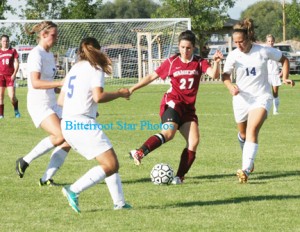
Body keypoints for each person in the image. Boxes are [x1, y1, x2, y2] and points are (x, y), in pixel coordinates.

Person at [129, 30, 223, 184]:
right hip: (172, 103)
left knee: (194, 142)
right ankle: (139, 152)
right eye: (182, 47)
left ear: (194, 48)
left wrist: (217, 62)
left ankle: (179, 177)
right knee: (168, 133)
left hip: (188, 108)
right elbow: (152, 76)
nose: (185, 51)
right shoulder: (172, 62)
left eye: (188, 48)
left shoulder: (199, 62)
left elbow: (214, 75)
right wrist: (133, 88)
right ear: (178, 46)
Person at [58, 37, 131, 213]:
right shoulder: (95, 68)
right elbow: (98, 96)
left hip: (67, 123)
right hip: (82, 123)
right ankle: (73, 189)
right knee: (111, 164)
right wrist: (120, 93)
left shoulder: (74, 68)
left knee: (108, 160)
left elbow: (61, 100)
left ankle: (120, 203)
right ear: (98, 50)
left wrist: (87, 106)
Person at [221, 18, 295, 184]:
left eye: (241, 41)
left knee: (252, 130)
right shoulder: (233, 55)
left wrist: (284, 78)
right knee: (243, 134)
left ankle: (245, 169)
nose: (238, 45)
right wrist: (230, 86)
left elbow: (284, 60)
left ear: (249, 38)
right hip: (241, 99)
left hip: (261, 97)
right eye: (235, 42)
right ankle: (248, 157)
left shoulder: (263, 50)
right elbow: (225, 76)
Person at [15, 21, 71, 186]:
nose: (56, 38)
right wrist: (60, 83)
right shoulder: (36, 54)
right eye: (54, 35)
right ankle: (25, 160)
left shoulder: (49, 55)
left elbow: (51, 86)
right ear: (43, 34)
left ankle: (46, 178)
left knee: (70, 138)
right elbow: (36, 83)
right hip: (38, 104)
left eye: (56, 35)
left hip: (52, 103)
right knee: (60, 135)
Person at [0, 35, 21, 118]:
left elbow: (17, 63)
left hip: (10, 76)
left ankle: (16, 110)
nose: (5, 42)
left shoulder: (13, 51)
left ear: (9, 41)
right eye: (4, 41)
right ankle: (1, 115)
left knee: (12, 96)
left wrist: (14, 74)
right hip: (1, 76)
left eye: (7, 41)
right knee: (0, 96)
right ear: (1, 41)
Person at [266, 34, 282, 115]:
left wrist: (282, 72)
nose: (270, 42)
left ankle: (275, 110)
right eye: (269, 41)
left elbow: (283, 62)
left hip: (275, 74)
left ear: (274, 41)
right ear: (267, 42)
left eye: (272, 41)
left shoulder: (277, 51)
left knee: (275, 92)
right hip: (266, 75)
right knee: (267, 93)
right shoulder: (264, 51)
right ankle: (266, 110)